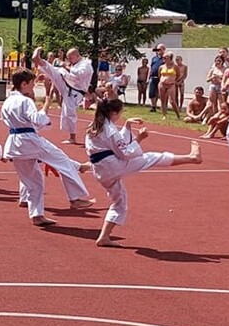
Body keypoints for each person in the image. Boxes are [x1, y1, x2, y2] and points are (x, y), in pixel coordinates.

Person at [85, 98, 203, 247]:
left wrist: (127, 126)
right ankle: (192, 158)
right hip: (113, 166)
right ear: (113, 113)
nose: (120, 116)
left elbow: (116, 145)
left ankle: (104, 237)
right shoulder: (110, 130)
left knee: (120, 202)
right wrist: (139, 138)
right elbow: (125, 153)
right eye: (120, 113)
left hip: (101, 172)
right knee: (151, 157)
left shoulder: (94, 126)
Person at [1, 68, 94, 226]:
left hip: (14, 143)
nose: (33, 86)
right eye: (32, 83)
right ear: (24, 84)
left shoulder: (7, 102)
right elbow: (37, 119)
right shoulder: (25, 101)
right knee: (61, 161)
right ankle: (75, 197)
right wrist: (47, 103)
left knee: (34, 182)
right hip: (30, 141)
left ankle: (37, 215)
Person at [33, 47, 93, 144]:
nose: (69, 61)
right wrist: (48, 76)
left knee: (69, 113)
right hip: (67, 84)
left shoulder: (86, 65)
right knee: (53, 70)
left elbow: (79, 74)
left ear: (77, 56)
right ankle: (39, 60)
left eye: (70, 58)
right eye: (68, 59)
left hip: (76, 92)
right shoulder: (75, 64)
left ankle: (72, 137)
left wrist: (66, 66)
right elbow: (67, 72)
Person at [157, 52, 181, 119]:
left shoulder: (175, 66)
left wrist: (174, 81)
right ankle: (164, 115)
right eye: (163, 57)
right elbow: (159, 75)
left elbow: (178, 75)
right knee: (163, 100)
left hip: (171, 85)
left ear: (170, 58)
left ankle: (178, 115)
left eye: (166, 57)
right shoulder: (161, 67)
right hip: (162, 84)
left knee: (172, 101)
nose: (164, 59)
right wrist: (162, 80)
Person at [148, 44, 166, 113]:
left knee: (160, 93)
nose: (158, 51)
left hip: (161, 78)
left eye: (160, 49)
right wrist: (148, 76)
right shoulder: (154, 58)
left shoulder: (165, 58)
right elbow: (151, 68)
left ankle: (163, 107)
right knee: (151, 93)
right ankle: (153, 106)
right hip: (153, 77)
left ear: (163, 50)